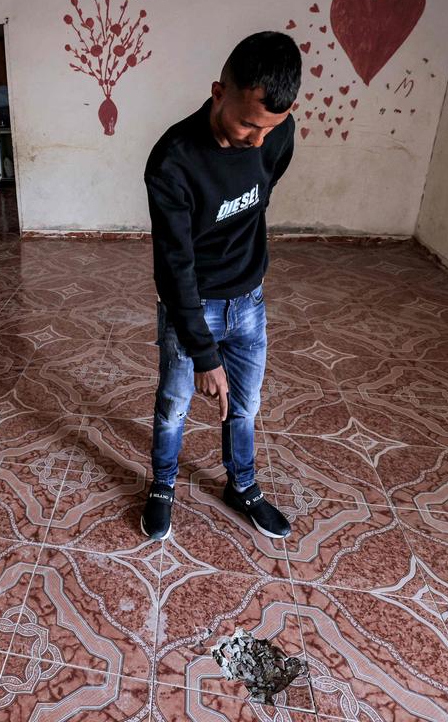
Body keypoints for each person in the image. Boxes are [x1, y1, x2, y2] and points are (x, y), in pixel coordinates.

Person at [141, 31, 301, 541]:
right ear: (218, 91)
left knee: (246, 405)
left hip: (249, 300)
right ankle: (163, 484)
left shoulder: (277, 133)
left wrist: (246, 273)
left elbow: (263, 190)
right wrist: (204, 354)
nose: (257, 140)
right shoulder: (173, 162)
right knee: (174, 406)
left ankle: (243, 485)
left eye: (268, 129)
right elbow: (174, 267)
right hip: (194, 304)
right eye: (248, 124)